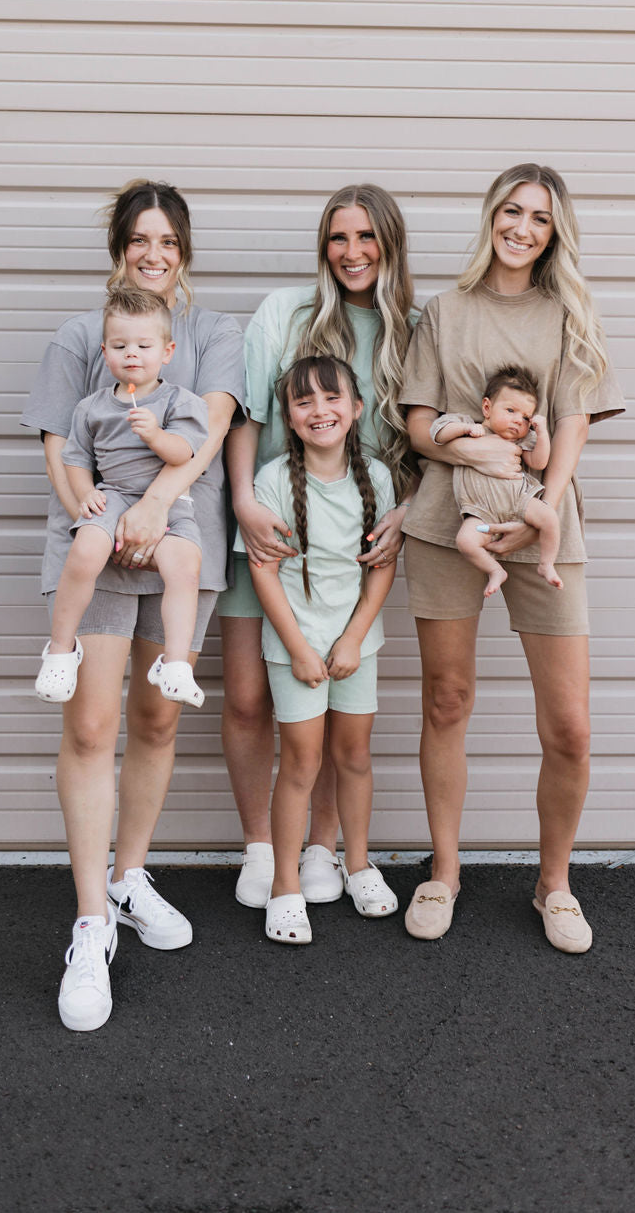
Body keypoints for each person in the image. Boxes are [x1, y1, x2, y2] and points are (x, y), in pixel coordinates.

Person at [21, 180, 244, 1031]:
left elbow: (214, 427)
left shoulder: (214, 334)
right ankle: (89, 924)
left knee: (157, 721)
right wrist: (104, 516)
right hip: (100, 542)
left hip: (181, 537)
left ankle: (129, 876)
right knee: (89, 726)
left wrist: (157, 507)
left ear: (184, 250)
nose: (154, 254)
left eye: (169, 241)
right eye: (139, 240)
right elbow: (58, 445)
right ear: (118, 248)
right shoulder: (83, 336)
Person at [399, 164, 624, 952]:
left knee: (570, 728)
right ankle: (446, 871)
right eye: (511, 210)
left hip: (543, 527)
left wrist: (541, 514)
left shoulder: (568, 315)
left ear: (555, 231)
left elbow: (573, 424)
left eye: (539, 217)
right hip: (448, 523)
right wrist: (460, 439)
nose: (522, 227)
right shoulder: (446, 311)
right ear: (491, 215)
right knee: (447, 700)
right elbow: (418, 424)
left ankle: (554, 884)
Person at [218, 184, 417, 911]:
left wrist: (413, 509)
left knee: (335, 702)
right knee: (247, 697)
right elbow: (247, 414)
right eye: (339, 237)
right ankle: (262, 848)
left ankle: (324, 847)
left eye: (368, 236)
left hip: (350, 552)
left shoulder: (411, 328)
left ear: (390, 243)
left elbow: (424, 440)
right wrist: (243, 502)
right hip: (269, 537)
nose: (353, 251)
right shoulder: (286, 312)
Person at [244, 356, 399, 944]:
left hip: (356, 644)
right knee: (303, 762)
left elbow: (382, 566)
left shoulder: (377, 479)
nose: (319, 411)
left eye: (331, 398)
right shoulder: (274, 480)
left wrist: (355, 637)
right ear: (288, 415)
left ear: (356, 409)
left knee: (354, 755)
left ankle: (355, 864)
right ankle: (286, 885)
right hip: (296, 647)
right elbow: (263, 572)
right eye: (303, 401)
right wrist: (299, 648)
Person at [35, 287, 209, 709]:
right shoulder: (91, 408)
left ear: (166, 352)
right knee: (85, 549)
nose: (132, 354)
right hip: (112, 495)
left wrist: (155, 434)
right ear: (105, 352)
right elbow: (73, 458)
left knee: (184, 566)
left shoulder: (179, 402)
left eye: (144, 346)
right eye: (120, 346)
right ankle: (61, 649)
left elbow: (185, 453)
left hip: (169, 504)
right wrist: (84, 495)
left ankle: (175, 663)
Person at [431, 364, 562, 595]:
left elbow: (539, 463)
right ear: (487, 407)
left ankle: (547, 564)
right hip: (480, 510)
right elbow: (438, 434)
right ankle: (495, 570)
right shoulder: (466, 427)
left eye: (525, 417)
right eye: (510, 410)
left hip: (518, 501)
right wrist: (466, 429)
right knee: (466, 541)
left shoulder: (521, 441)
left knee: (550, 517)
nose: (517, 421)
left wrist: (542, 434)